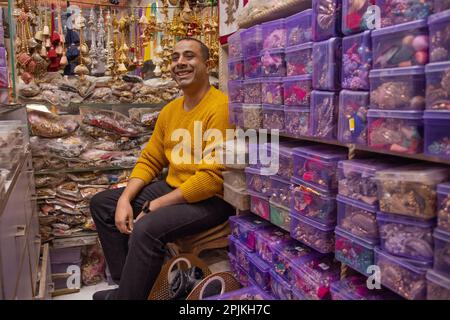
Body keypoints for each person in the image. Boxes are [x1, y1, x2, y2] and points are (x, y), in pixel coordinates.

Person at [91, 38, 235, 300]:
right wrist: (125, 198)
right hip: (176, 187)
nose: (180, 63)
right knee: (103, 204)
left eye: (189, 56)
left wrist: (155, 206)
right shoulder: (170, 111)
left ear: (207, 64)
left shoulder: (220, 108)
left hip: (211, 200)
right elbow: (150, 159)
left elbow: (212, 179)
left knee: (147, 228)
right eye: (175, 57)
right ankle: (128, 288)